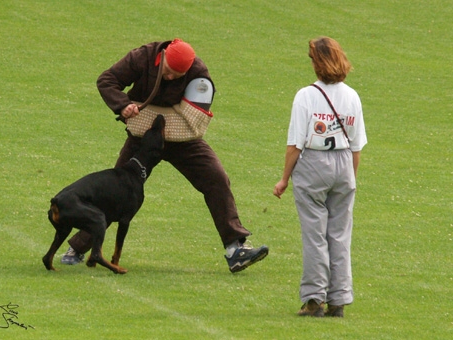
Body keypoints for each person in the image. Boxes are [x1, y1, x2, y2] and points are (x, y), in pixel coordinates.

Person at [61, 39, 269, 273]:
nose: (171, 78)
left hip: (183, 140)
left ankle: (235, 249)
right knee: (116, 192)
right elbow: (107, 80)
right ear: (162, 59)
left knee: (217, 178)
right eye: (168, 72)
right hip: (143, 138)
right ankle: (78, 247)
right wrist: (123, 105)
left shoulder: (198, 73)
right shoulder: (142, 57)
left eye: (177, 76)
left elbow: (197, 113)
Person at [273, 37, 367, 317]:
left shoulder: (306, 96)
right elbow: (357, 145)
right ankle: (339, 299)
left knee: (315, 235)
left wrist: (284, 179)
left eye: (312, 58)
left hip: (314, 164)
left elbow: (295, 145)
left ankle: (315, 299)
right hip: (344, 164)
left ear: (319, 63)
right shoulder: (352, 96)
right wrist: (351, 178)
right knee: (339, 234)